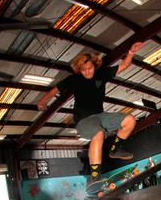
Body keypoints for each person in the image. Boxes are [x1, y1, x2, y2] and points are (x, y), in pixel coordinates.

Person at [37, 43, 145, 190]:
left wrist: (131, 52)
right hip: (83, 120)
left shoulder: (102, 73)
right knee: (98, 134)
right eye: (84, 70)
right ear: (79, 70)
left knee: (130, 120)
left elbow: (123, 66)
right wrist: (42, 101)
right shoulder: (74, 79)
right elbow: (55, 89)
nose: (88, 72)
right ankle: (95, 176)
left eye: (90, 68)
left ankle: (115, 150)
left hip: (100, 116)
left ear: (94, 65)